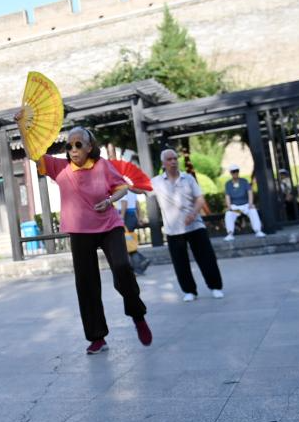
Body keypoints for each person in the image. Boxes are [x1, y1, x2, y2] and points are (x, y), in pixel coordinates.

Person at [13, 119, 152, 354]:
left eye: (78, 145)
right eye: (69, 146)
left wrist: (109, 201)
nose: (73, 150)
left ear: (89, 147)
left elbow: (122, 188)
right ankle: (97, 337)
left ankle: (137, 315)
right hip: (80, 231)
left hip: (109, 226)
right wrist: (21, 128)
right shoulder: (60, 168)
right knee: (86, 285)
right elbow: (33, 154)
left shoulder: (103, 166)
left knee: (121, 268)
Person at [150, 149, 225, 302]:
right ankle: (189, 291)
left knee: (206, 258)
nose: (173, 161)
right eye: (169, 159)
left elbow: (199, 198)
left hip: (195, 225)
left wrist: (194, 213)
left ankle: (215, 287)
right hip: (173, 229)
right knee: (180, 262)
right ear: (163, 163)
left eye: (175, 158)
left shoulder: (188, 178)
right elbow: (140, 189)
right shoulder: (156, 182)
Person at [223, 165, 267, 240]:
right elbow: (227, 196)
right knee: (229, 214)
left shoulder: (244, 181)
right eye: (233, 172)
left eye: (237, 171)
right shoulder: (228, 184)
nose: (235, 173)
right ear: (231, 173)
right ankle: (230, 234)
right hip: (236, 207)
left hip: (246, 206)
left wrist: (250, 204)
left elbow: (249, 192)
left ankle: (258, 231)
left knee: (253, 211)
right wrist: (229, 206)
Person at [118, 189, 150, 275]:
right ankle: (136, 267)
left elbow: (124, 202)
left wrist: (122, 217)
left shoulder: (121, 187)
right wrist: (139, 218)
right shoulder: (132, 189)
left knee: (127, 243)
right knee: (128, 242)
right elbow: (137, 204)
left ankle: (141, 262)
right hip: (132, 216)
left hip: (126, 215)